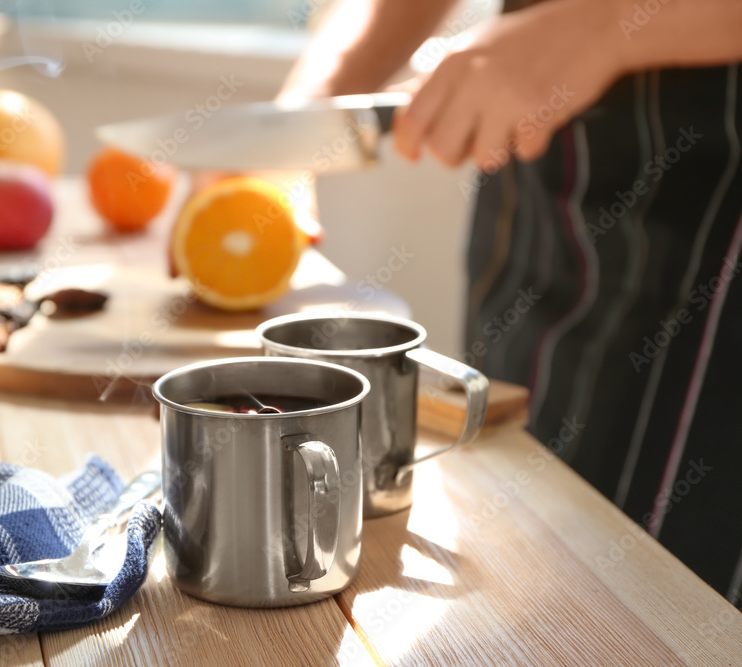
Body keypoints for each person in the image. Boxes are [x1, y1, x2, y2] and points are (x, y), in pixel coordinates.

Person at [280, 0, 742, 608]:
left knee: (668, 609)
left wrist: (602, 26)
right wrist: (300, 121)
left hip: (715, 240)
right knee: (522, 577)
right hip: (543, 203)